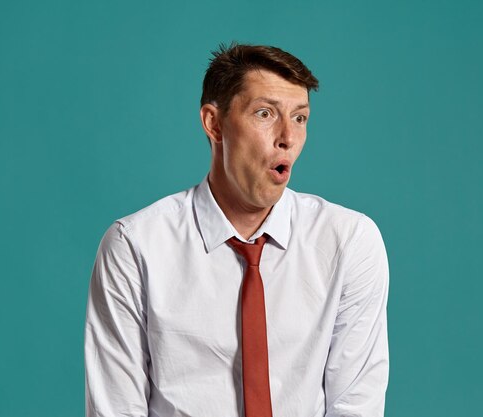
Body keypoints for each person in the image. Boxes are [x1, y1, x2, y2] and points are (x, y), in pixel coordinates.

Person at [85, 43, 389, 417]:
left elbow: (355, 406)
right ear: (214, 123)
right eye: (265, 113)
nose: (287, 138)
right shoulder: (134, 247)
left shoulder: (349, 242)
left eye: (300, 118)